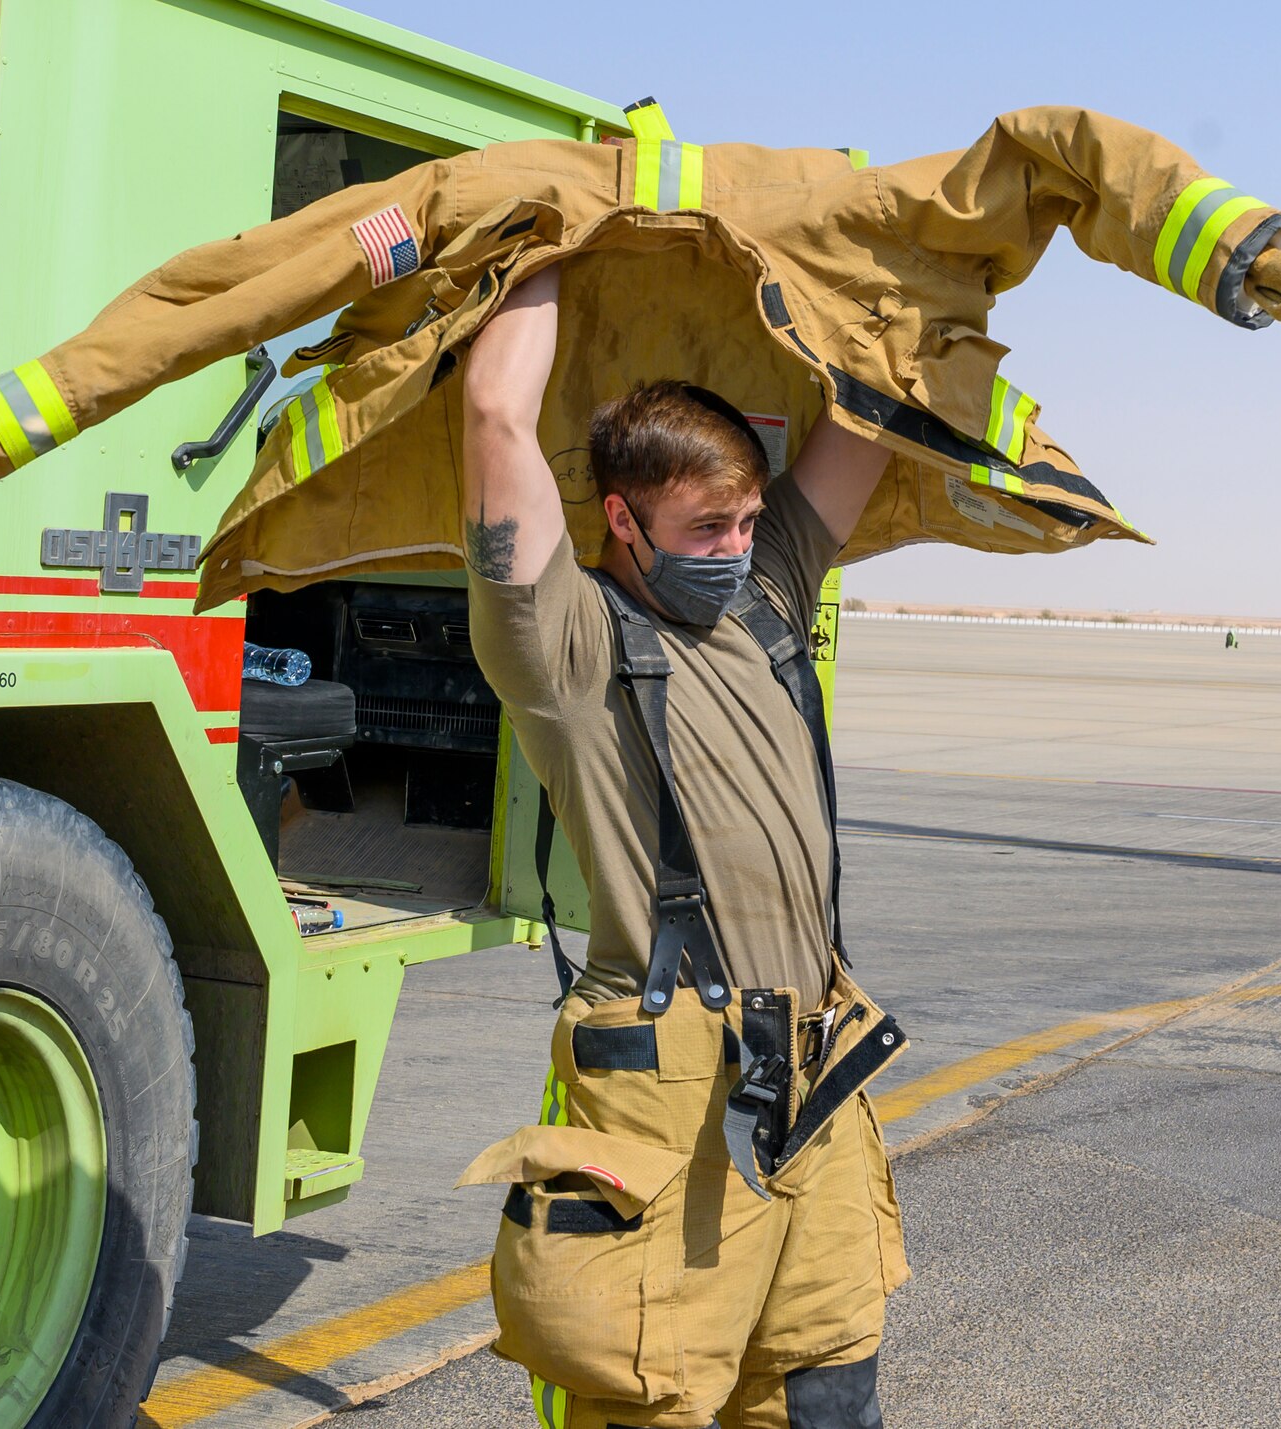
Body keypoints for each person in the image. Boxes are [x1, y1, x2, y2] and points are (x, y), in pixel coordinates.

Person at [461, 260, 908, 1429]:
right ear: (619, 519)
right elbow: (496, 413)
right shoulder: (563, 646)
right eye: (708, 525)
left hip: (812, 1071)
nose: (739, 542)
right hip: (671, 1091)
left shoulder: (765, 597)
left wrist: (898, 271)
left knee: (829, 1393)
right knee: (648, 1396)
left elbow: (868, 411)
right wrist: (552, 244)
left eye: (750, 518)